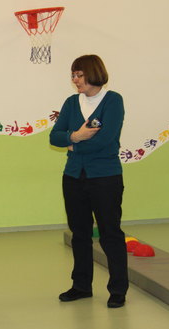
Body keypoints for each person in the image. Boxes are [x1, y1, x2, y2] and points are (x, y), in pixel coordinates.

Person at [50, 54, 128, 308]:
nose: (75, 80)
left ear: (93, 73)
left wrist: (74, 144)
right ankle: (81, 286)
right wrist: (76, 136)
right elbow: (55, 137)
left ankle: (118, 289)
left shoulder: (113, 100)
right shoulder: (71, 102)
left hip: (105, 177)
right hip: (73, 177)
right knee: (79, 234)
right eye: (73, 75)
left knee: (110, 233)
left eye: (79, 75)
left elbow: (106, 140)